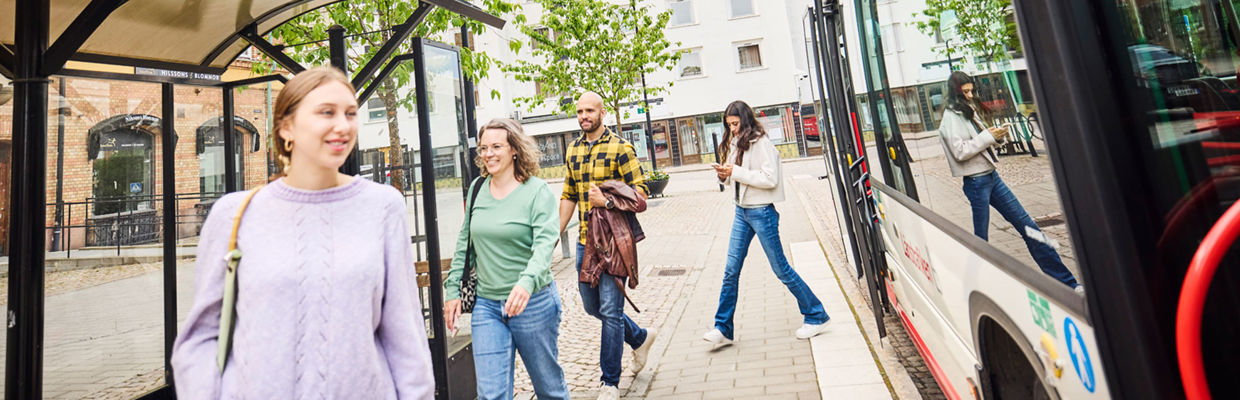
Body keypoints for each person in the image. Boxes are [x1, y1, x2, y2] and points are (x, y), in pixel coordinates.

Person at [171, 66, 434, 398]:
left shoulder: (383, 207)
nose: (343, 126)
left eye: (351, 113)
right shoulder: (234, 215)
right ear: (286, 128)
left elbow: (405, 338)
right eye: (327, 112)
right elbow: (199, 339)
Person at [442, 118, 569, 400]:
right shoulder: (477, 188)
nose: (488, 154)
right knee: (491, 395)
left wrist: (525, 283)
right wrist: (452, 291)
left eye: (496, 146)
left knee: (549, 390)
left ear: (514, 149)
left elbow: (545, 243)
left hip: (533, 302)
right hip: (487, 306)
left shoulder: (536, 191)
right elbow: (465, 244)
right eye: (484, 148)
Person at [703, 100, 832, 345]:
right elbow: (737, 178)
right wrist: (725, 176)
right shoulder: (736, 143)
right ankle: (723, 328)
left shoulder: (761, 143)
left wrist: (735, 172)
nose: (732, 129)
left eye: (735, 123)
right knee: (731, 271)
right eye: (729, 125)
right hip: (741, 212)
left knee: (780, 268)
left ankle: (817, 315)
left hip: (762, 213)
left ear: (745, 119)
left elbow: (770, 179)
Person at [938, 70, 1081, 289]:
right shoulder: (951, 117)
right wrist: (988, 137)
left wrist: (997, 137)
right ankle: (976, 285)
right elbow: (960, 152)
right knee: (981, 242)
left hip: (992, 178)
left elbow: (982, 142)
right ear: (956, 92)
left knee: (1029, 227)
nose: (970, 95)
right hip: (976, 183)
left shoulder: (967, 111)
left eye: (971, 91)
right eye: (965, 91)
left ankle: (1068, 283)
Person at [559, 92, 655, 400]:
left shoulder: (621, 148)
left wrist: (608, 201)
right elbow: (569, 195)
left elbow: (641, 195)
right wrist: (553, 234)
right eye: (579, 111)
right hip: (585, 243)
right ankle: (639, 338)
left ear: (602, 113)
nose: (584, 115)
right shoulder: (573, 149)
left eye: (589, 110)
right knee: (591, 306)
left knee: (611, 311)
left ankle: (609, 382)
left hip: (614, 243)